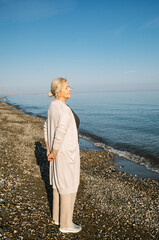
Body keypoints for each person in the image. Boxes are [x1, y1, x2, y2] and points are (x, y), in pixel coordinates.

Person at [44, 77, 82, 233]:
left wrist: (49, 149)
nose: (70, 89)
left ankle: (57, 217)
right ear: (58, 92)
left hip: (58, 152)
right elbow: (59, 133)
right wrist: (52, 151)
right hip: (66, 154)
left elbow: (46, 126)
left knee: (59, 184)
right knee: (69, 186)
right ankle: (66, 225)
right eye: (66, 87)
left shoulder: (53, 106)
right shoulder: (64, 110)